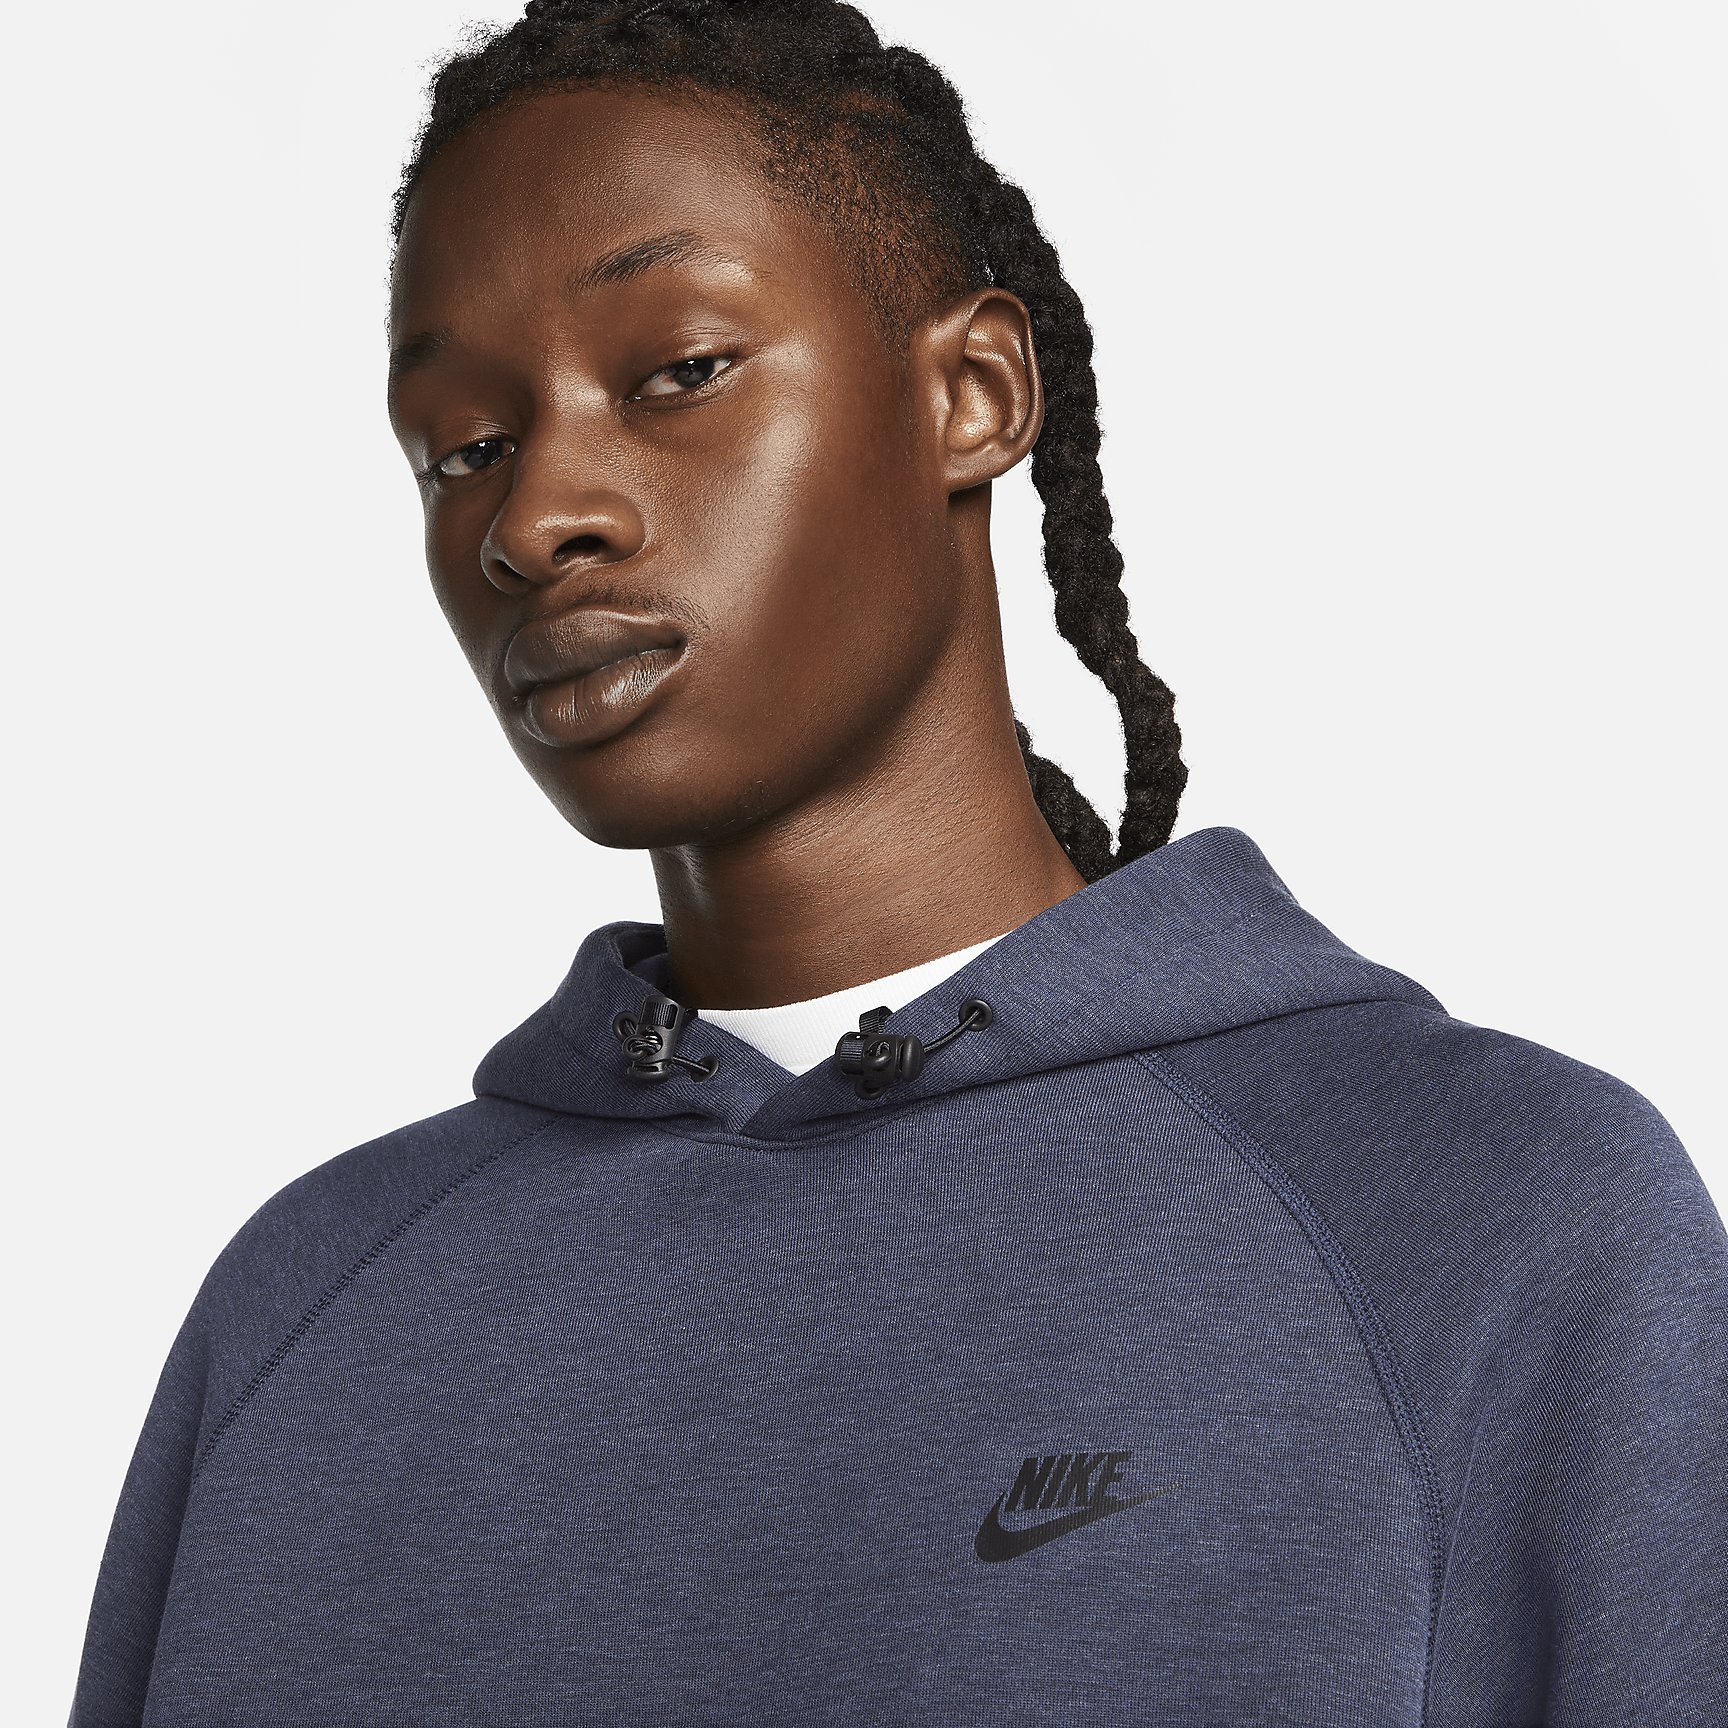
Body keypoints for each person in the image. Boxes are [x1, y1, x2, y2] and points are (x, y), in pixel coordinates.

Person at [71, 2, 1726, 1723]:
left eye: (678, 372)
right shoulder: (311, 1309)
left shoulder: (1485, 1223)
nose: (537, 516)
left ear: (974, 395)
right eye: (465, 447)